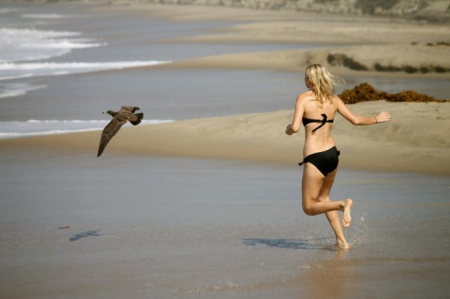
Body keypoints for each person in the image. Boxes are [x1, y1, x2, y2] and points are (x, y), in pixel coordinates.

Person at [285, 64, 391, 249]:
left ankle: (343, 204)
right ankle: (342, 242)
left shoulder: (303, 98)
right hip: (332, 155)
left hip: (315, 158)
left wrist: (288, 129)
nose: (304, 80)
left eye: (306, 77)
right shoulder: (334, 99)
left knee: (309, 208)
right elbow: (356, 120)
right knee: (325, 199)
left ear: (311, 79)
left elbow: (294, 127)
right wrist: (376, 118)